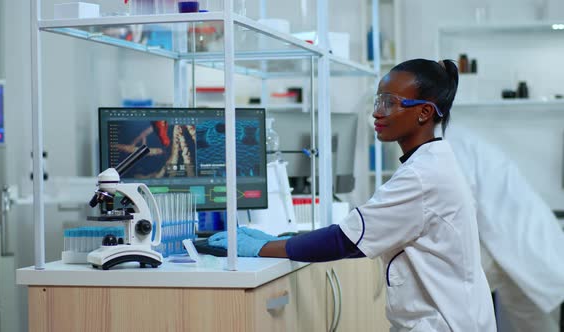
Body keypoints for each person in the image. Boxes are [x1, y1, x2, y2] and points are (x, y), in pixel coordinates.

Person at [209, 59, 497, 331]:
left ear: (424, 112)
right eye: (378, 101)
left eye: (390, 103)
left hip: (444, 323)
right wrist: (281, 242)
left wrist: (262, 247)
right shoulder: (430, 164)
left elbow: (345, 241)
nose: (377, 112)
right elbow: (361, 236)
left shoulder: (422, 176)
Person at [442, 123, 564, 332]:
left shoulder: (449, 145)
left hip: (520, 244)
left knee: (451, 293)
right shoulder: (454, 140)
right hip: (511, 247)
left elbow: (461, 206)